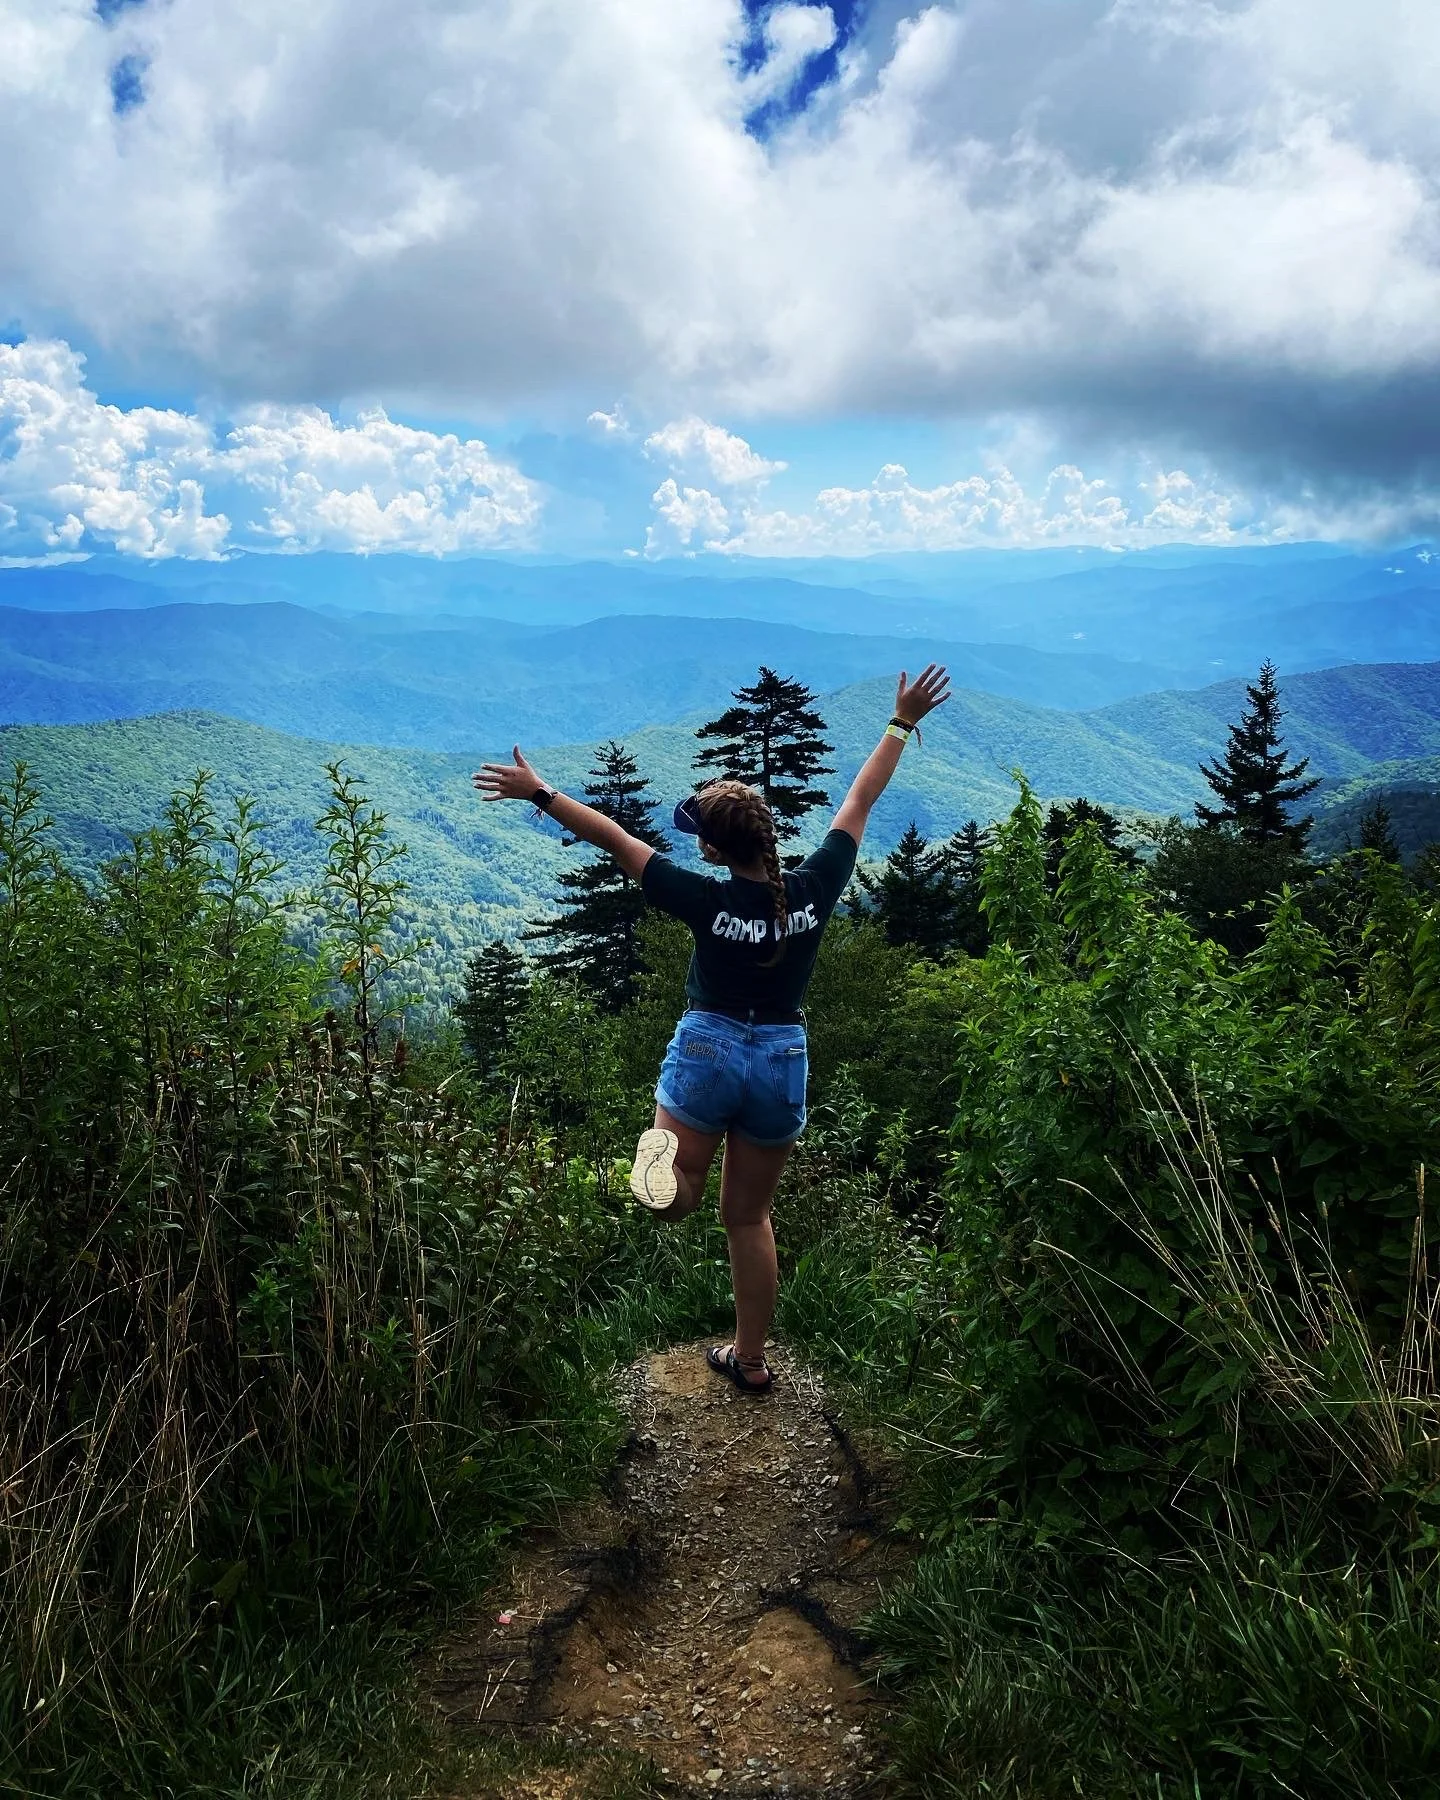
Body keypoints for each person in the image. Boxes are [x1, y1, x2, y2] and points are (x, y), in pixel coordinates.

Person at [473, 665, 951, 1394]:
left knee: (672, 1189)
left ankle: (644, 1182)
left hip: (709, 1047)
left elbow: (614, 838)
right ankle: (750, 1360)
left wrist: (539, 791)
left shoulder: (700, 896)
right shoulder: (818, 886)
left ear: (715, 850)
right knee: (748, 1217)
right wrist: (899, 722)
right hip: (783, 1057)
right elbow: (860, 797)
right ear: (766, 837)